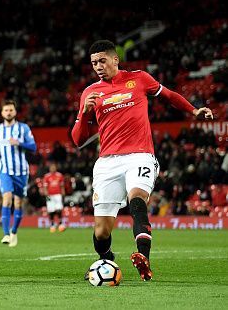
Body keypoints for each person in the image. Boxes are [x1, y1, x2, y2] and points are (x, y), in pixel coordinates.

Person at [72, 40, 214, 281]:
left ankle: (143, 257)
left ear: (115, 59)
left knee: (137, 200)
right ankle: (107, 259)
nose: (98, 66)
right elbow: (77, 140)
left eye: (102, 61)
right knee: (102, 230)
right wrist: (85, 112)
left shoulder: (138, 79)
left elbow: (168, 95)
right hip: (107, 162)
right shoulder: (90, 93)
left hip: (140, 155)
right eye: (94, 62)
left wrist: (194, 110)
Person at [0, 100, 36, 247]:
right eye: (6, 110)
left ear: (15, 112)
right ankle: (6, 234)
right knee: (7, 198)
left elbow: (33, 147)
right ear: (2, 113)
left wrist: (19, 143)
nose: (8, 112)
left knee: (18, 202)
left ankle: (14, 231)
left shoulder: (23, 128)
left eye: (11, 110)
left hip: (21, 171)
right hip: (4, 169)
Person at [41, 163, 66, 233]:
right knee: (51, 210)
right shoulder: (47, 176)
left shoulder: (59, 175)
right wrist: (46, 195)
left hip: (58, 195)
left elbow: (62, 186)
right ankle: (52, 225)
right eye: (51, 167)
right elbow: (45, 187)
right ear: (49, 168)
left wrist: (63, 193)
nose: (53, 168)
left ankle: (60, 224)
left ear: (56, 168)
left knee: (59, 209)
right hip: (49, 195)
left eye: (54, 167)